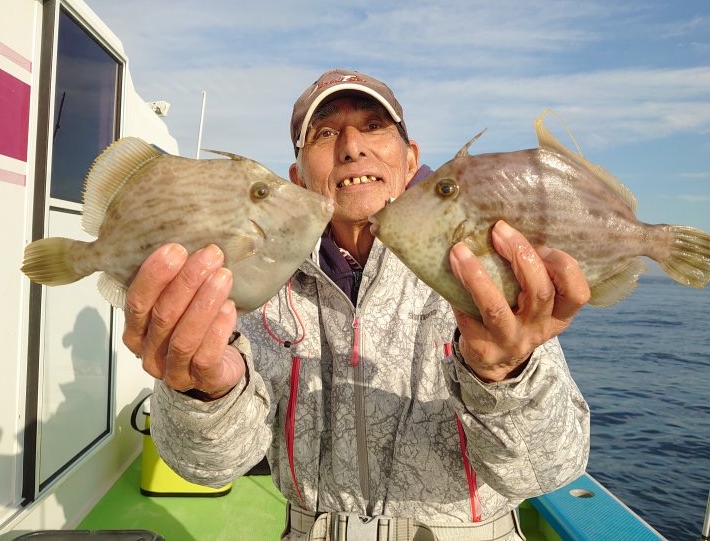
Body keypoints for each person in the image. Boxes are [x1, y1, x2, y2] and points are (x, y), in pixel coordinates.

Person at [122, 69, 591, 540]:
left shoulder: (478, 270)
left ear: (410, 159)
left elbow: (548, 469)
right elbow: (208, 467)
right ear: (297, 178)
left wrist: (505, 375)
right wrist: (204, 394)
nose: (351, 147)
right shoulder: (256, 284)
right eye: (325, 133)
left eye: (373, 126)